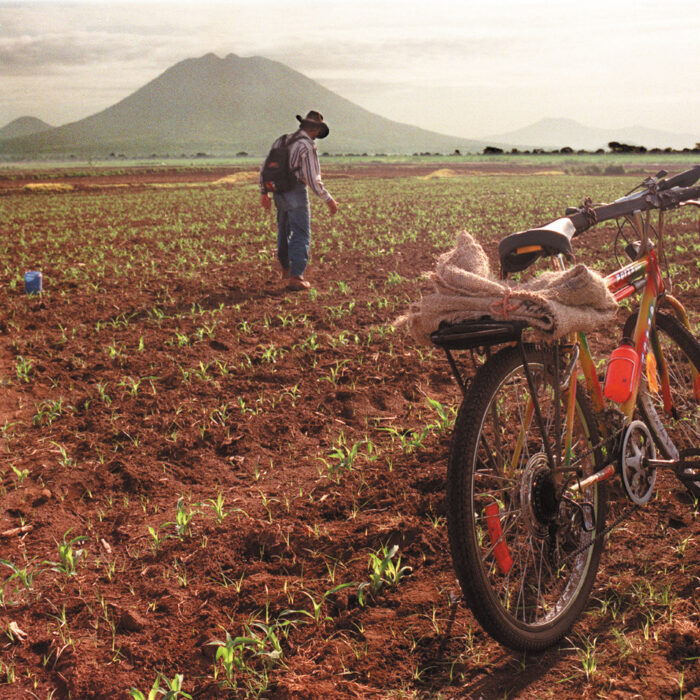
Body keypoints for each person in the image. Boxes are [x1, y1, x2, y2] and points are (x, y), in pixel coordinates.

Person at [260, 110, 339, 291]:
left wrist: (264, 191)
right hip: (295, 190)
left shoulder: (281, 140)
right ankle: (296, 277)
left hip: (278, 190)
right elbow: (312, 178)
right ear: (317, 130)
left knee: (283, 229)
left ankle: (286, 268)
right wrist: (329, 199)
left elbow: (265, 167)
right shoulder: (307, 146)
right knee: (301, 232)